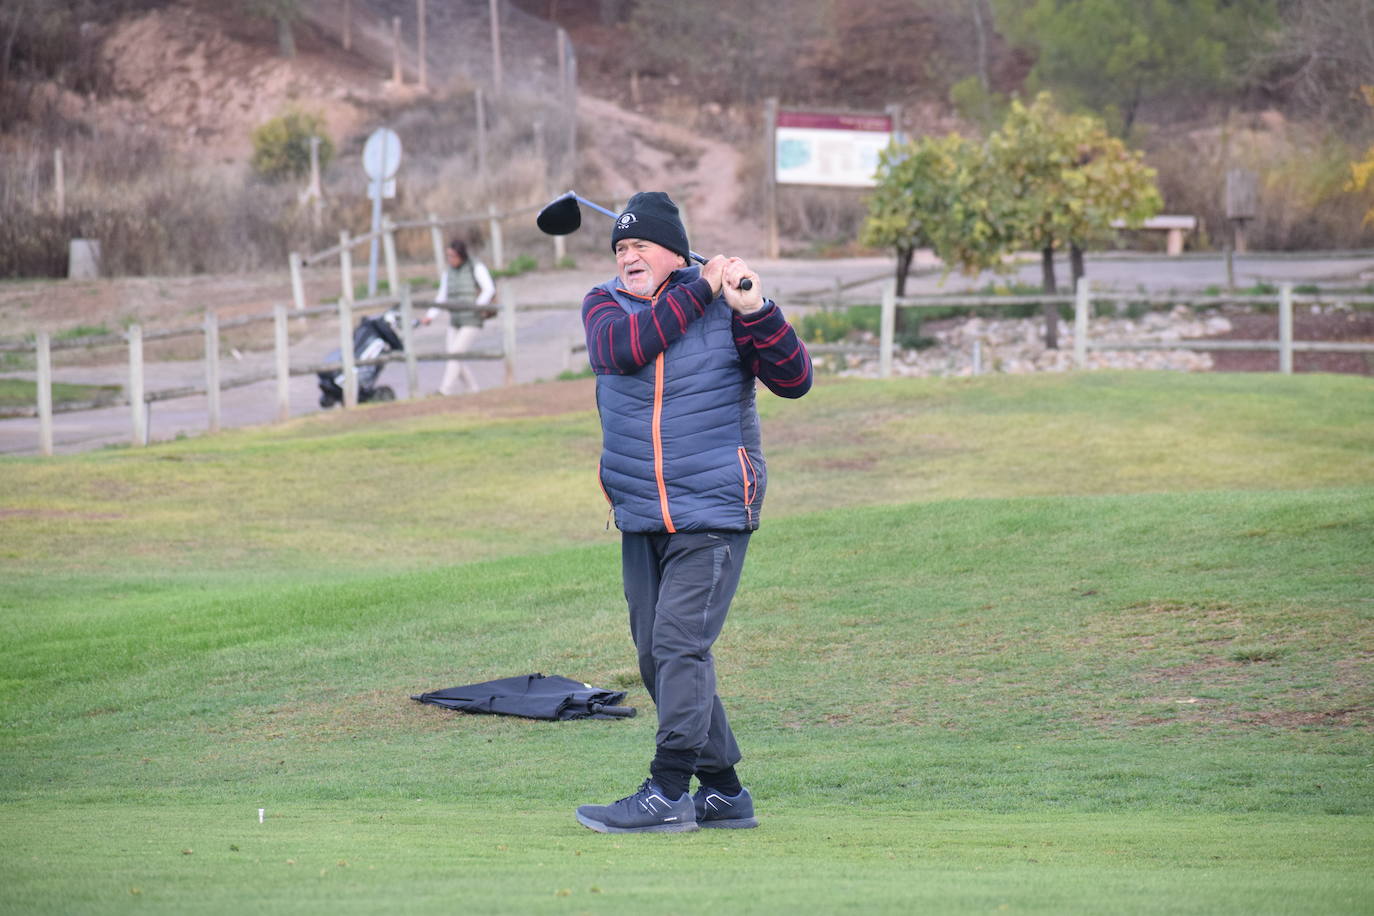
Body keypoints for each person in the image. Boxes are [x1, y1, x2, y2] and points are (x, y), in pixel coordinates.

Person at [573, 191, 813, 834]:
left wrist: (756, 308)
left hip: (712, 510)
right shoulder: (605, 307)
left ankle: (668, 789)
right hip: (640, 511)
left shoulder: (727, 308)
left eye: (639, 245)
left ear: (674, 250)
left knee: (680, 646)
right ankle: (725, 793)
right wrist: (700, 289)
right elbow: (626, 351)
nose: (627, 257)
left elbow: (795, 380)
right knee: (658, 658)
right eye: (620, 247)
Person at [422, 239, 496, 395]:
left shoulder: (475, 267)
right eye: (448, 256)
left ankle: (445, 390)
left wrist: (476, 306)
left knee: (455, 353)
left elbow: (488, 288)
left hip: (471, 319)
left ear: (461, 255)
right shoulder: (448, 272)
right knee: (454, 356)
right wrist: (430, 316)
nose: (450, 259)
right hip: (455, 319)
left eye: (453, 256)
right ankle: (473, 389)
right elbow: (442, 296)